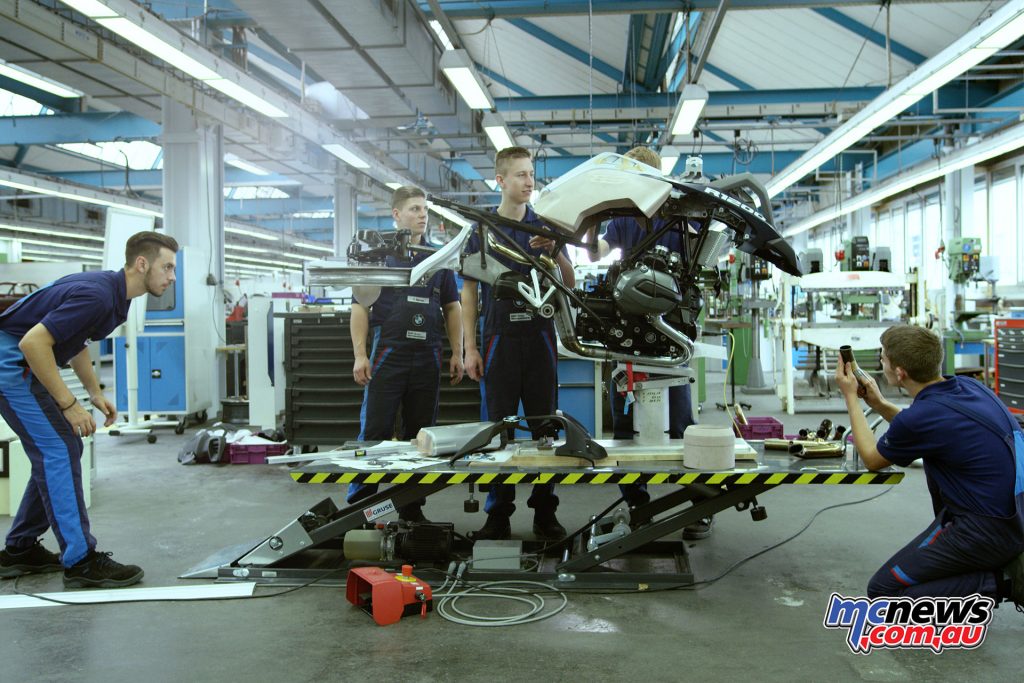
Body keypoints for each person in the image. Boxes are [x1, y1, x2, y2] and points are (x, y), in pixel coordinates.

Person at [0, 231, 178, 589]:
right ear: (141, 264)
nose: (172, 276)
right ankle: (80, 560)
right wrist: (70, 404)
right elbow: (33, 342)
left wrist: (94, 393)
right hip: (12, 364)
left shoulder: (115, 297)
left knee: (64, 448)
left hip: (25, 363)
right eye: (167, 266)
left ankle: (19, 550)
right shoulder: (98, 295)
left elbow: (74, 340)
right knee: (59, 449)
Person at [836, 324, 1024, 605]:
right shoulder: (968, 387)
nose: (881, 363)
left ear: (900, 373)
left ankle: (1006, 583)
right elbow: (923, 424)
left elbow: (872, 459)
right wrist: (879, 403)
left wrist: (851, 396)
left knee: (884, 593)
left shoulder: (922, 417)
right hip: (1014, 516)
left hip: (984, 530)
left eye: (884, 358)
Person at [590, 146, 712, 540]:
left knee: (681, 425)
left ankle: (699, 504)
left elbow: (704, 251)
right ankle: (637, 503)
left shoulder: (679, 216)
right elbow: (597, 251)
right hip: (628, 332)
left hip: (669, 334)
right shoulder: (623, 218)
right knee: (624, 425)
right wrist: (591, 218)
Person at [462, 146, 575, 541]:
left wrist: (558, 253)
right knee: (499, 433)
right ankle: (498, 517)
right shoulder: (482, 229)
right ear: (501, 180)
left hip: (540, 338)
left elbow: (569, 283)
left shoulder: (544, 227)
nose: (529, 182)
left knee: (545, 430)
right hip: (498, 340)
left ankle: (545, 513)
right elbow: (469, 293)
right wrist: (469, 348)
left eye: (531, 174)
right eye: (521, 175)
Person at [348, 185, 463, 522]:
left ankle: (411, 510)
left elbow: (453, 308)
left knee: (421, 437)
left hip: (427, 354)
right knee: (374, 434)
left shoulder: (438, 257)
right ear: (396, 214)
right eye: (414, 209)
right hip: (388, 353)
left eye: (424, 209)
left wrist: (456, 352)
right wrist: (360, 354)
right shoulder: (378, 256)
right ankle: (359, 510)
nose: (422, 214)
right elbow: (359, 308)